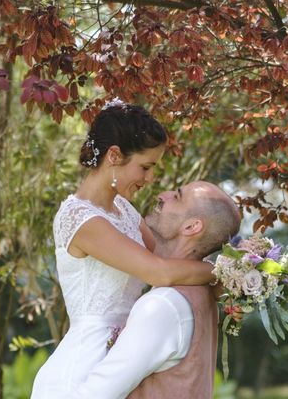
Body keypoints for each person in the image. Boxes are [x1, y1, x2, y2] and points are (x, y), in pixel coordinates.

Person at [31, 102, 217, 398]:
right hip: (82, 371)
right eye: (145, 167)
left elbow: (167, 261)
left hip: (124, 362)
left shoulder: (124, 211)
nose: (150, 179)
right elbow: (160, 272)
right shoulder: (81, 219)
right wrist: (227, 272)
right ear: (114, 156)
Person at [71, 181, 241, 399]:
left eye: (177, 197)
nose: (163, 195)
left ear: (191, 227)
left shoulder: (163, 305)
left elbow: (94, 395)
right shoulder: (202, 293)